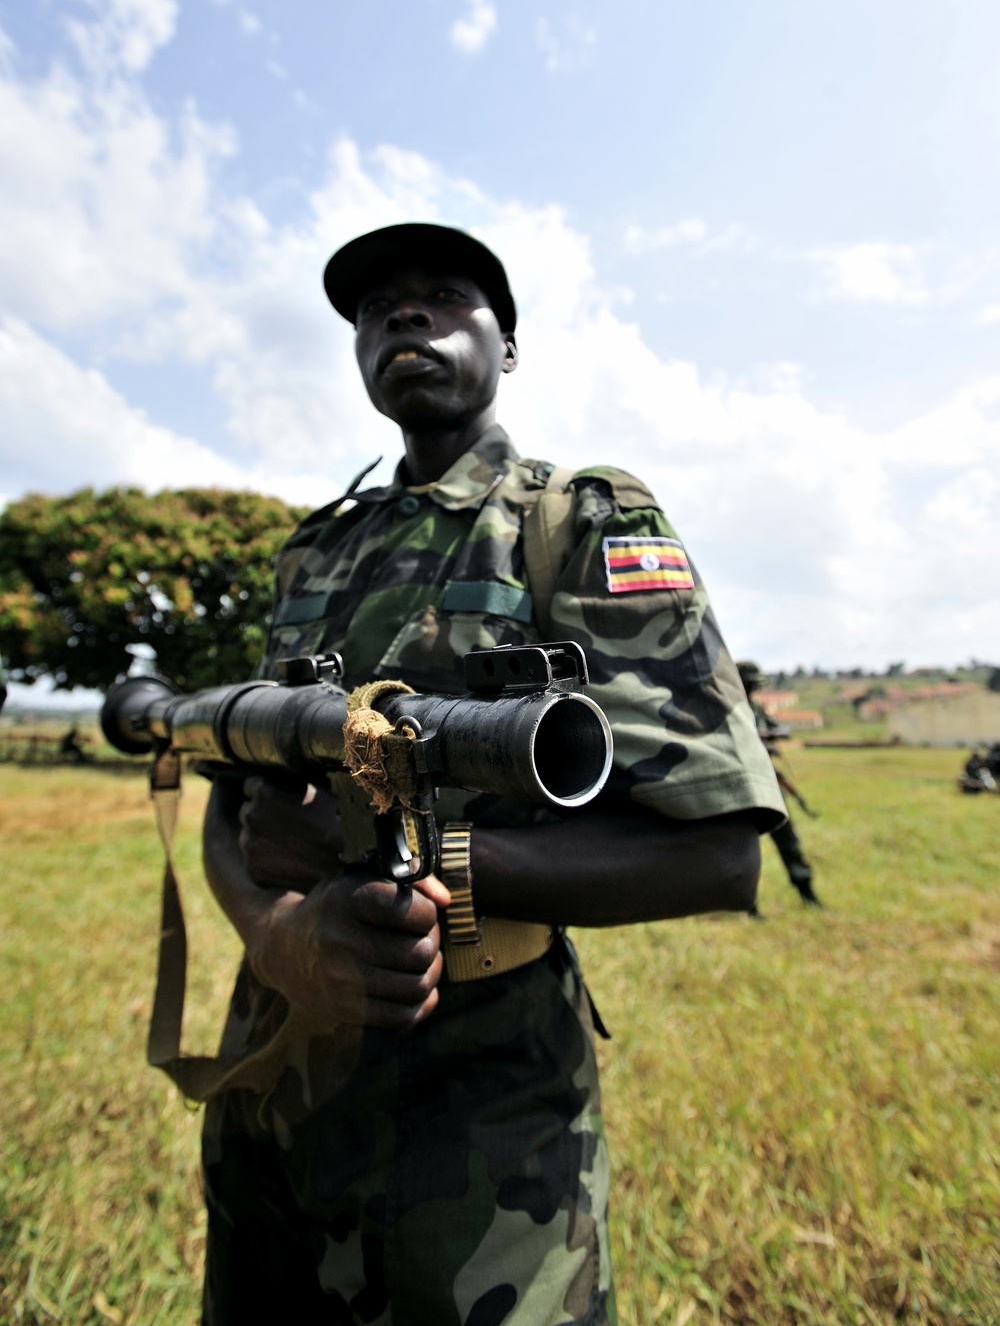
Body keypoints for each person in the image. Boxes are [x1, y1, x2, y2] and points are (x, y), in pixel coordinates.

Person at [200, 223, 786, 1325]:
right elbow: (231, 793)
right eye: (377, 309)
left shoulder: (573, 520)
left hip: (478, 1112)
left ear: (505, 346)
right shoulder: (314, 550)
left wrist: (420, 863)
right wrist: (273, 935)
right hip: (277, 1065)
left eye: (441, 297)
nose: (403, 318)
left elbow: (712, 850)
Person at [736, 660, 822, 910]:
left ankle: (806, 891)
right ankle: (748, 904)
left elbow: (780, 728)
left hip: (768, 780)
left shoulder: (756, 709)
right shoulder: (729, 709)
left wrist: (769, 736)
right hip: (743, 784)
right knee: (747, 845)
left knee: (788, 839)